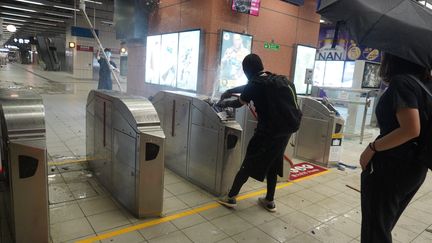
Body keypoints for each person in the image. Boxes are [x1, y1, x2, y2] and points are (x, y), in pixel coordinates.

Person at [359, 53, 432, 243]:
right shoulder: (425, 84)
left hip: (391, 168)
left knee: (375, 231)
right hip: (416, 167)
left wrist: (372, 148)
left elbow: (410, 129)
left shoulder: (402, 82)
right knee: (383, 225)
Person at [216, 54, 297, 212]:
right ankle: (269, 200)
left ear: (246, 70)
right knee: (274, 162)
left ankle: (231, 197)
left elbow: (238, 103)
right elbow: (249, 87)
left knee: (249, 161)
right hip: (285, 130)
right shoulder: (271, 78)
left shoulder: (255, 83)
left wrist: (222, 102)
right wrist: (231, 90)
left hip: (267, 131)